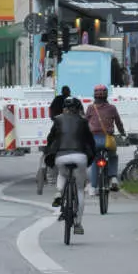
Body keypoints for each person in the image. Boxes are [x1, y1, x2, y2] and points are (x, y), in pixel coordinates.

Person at [45, 96, 96, 236]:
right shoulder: (83, 121)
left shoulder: (58, 120)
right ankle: (78, 223)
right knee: (80, 189)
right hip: (80, 156)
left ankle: (58, 192)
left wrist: (49, 150)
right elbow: (90, 142)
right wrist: (92, 156)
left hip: (61, 156)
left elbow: (50, 138)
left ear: (64, 108)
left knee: (62, 174)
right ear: (79, 108)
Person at [85, 83, 126, 192]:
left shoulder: (90, 108)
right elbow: (118, 123)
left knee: (94, 161)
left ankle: (93, 187)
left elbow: (85, 123)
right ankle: (113, 178)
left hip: (94, 140)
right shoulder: (112, 108)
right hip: (108, 140)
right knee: (113, 156)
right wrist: (123, 133)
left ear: (94, 96)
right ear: (106, 95)